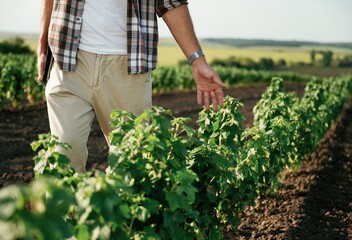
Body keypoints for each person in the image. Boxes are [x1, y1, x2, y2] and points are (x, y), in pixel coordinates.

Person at [37, 0, 225, 173]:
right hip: (68, 61)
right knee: (63, 160)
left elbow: (170, 2)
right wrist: (43, 44)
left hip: (128, 67)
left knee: (131, 164)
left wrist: (197, 61)